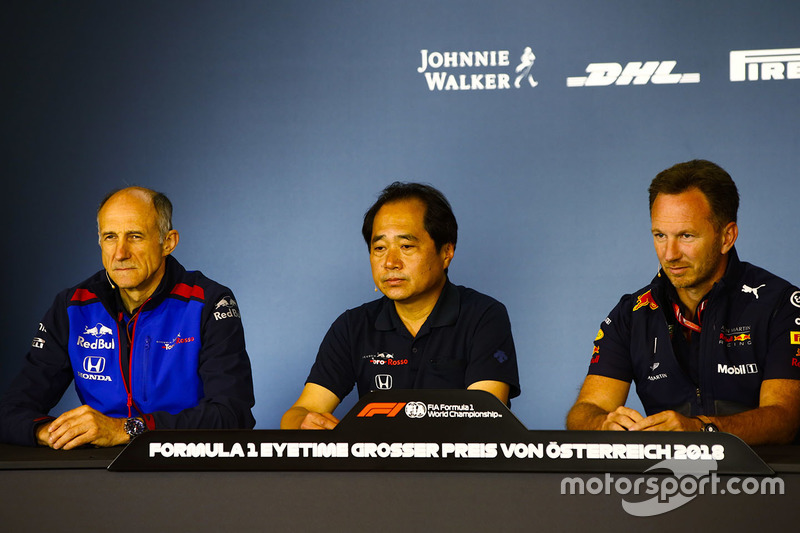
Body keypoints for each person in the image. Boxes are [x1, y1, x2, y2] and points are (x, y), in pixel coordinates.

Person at [0, 187, 255, 448]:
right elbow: (11, 411)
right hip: (99, 473)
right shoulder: (72, 306)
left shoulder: (209, 302)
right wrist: (50, 432)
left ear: (168, 242)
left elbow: (232, 415)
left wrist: (127, 429)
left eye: (135, 236)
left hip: (186, 469)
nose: (120, 253)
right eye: (110, 237)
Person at [566, 160, 800, 445]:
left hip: (768, 483)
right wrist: (603, 425)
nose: (670, 254)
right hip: (667, 484)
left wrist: (702, 432)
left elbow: (785, 418)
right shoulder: (632, 313)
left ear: (727, 237)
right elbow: (584, 411)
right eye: (660, 236)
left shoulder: (782, 305)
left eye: (686, 236)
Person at [282, 182, 520, 429]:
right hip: (375, 466)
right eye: (379, 248)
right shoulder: (353, 326)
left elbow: (485, 419)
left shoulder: (484, 316)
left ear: (446, 252)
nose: (390, 262)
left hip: (457, 466)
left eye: (406, 246)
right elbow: (300, 412)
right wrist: (304, 422)